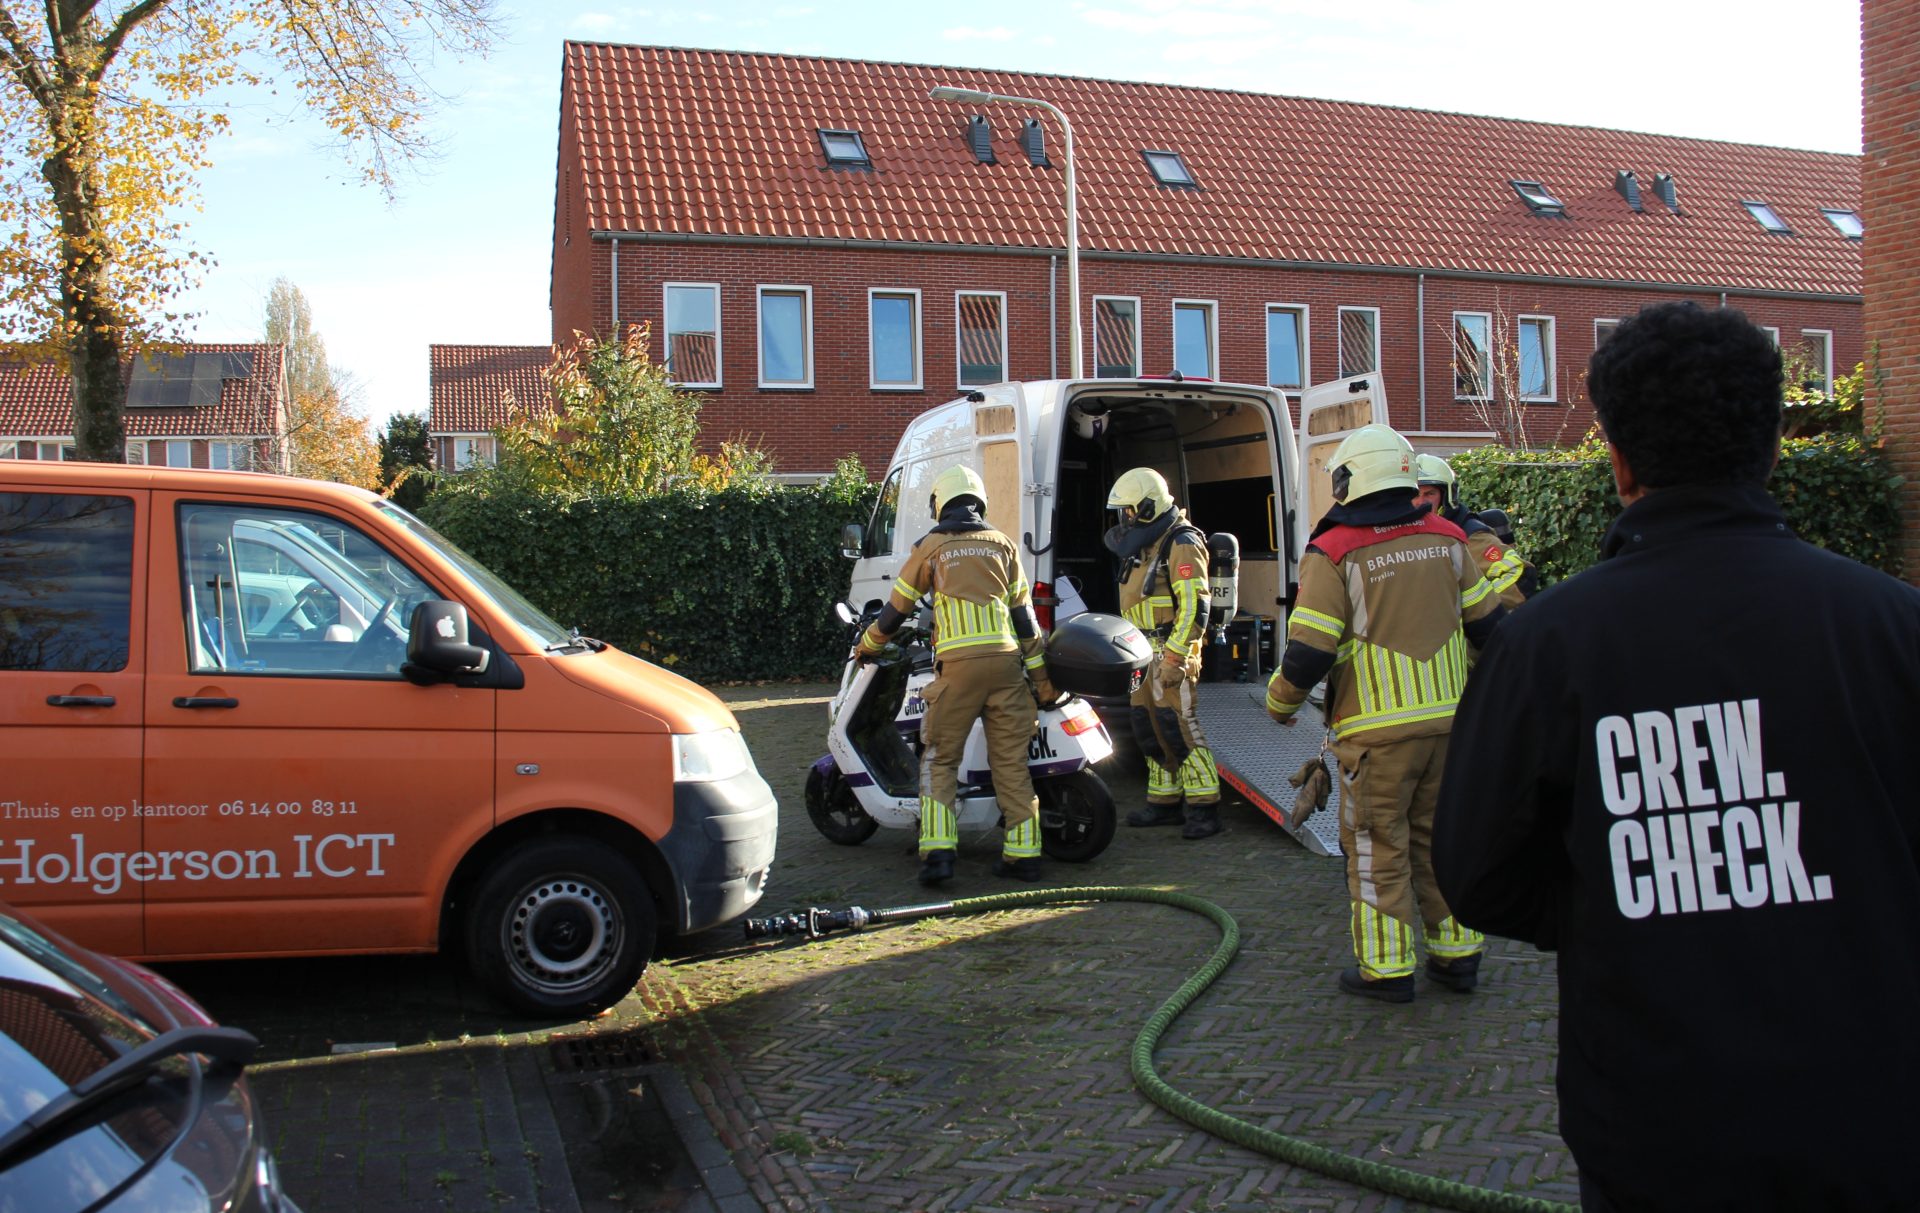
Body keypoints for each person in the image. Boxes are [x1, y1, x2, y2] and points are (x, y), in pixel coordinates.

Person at [1432, 301, 1920, 1212]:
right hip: (1877, 1117)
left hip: (1656, 1128)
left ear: (1616, 461)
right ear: (1775, 446)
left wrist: (1622, 892)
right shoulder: (1894, 627)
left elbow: (1474, 870)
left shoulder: (1548, 645)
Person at [1263, 424, 1504, 1001]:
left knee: (1377, 849)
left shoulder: (1334, 551)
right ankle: (1457, 956)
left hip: (1377, 737)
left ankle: (1388, 969)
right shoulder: (1449, 539)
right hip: (1451, 728)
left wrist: (1278, 704)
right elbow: (1493, 630)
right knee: (1438, 840)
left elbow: (1310, 651)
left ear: (1352, 479)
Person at [858, 465, 1057, 885]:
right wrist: (1041, 681)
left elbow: (897, 610)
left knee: (940, 758)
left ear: (941, 503)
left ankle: (939, 855)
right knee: (1010, 763)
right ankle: (1025, 856)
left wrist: (869, 645)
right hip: (1006, 667)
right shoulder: (1002, 545)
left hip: (958, 673)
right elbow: (1024, 620)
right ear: (978, 502)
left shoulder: (932, 546)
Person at [1105, 467, 1222, 840]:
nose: (1125, 518)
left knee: (1179, 727)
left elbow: (1194, 606)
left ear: (1148, 507)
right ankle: (1164, 802)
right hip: (1140, 651)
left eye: (1129, 510)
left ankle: (1205, 808)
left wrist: (1176, 657)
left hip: (1170, 650)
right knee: (1148, 727)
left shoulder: (1181, 541)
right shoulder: (1147, 542)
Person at [1413, 454, 1538, 609]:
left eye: (1429, 494)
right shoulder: (1410, 534)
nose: (1420, 502)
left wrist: (1479, 611)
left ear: (1447, 497)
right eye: (1414, 494)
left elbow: (1521, 576)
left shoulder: (1469, 536)